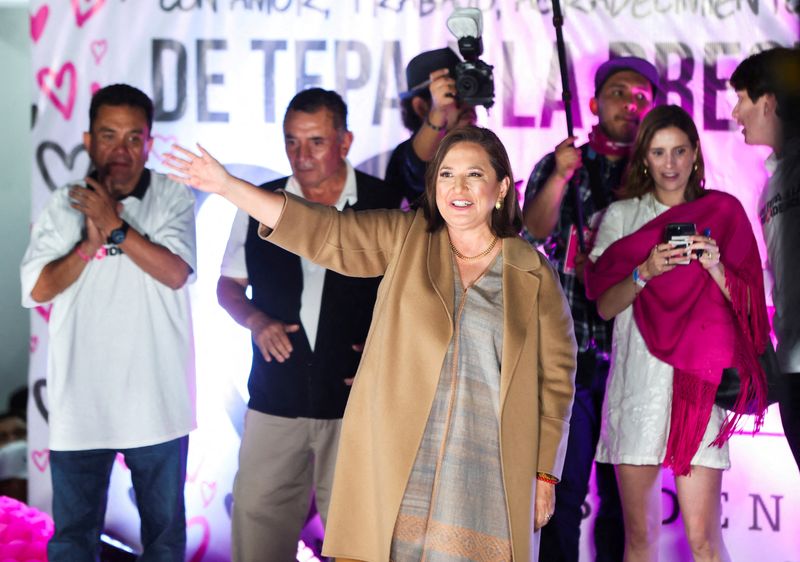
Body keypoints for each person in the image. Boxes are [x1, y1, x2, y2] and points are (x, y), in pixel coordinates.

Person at [166, 125, 577, 562]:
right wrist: (228, 186)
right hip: (400, 464)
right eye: (445, 174)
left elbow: (556, 380)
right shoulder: (406, 238)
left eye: (474, 175)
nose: (458, 187)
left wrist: (544, 475)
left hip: (487, 471)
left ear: (500, 188)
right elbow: (325, 233)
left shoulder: (533, 273)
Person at [218, 87, 399, 562]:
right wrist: (256, 320)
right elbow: (228, 287)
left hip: (358, 403)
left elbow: (411, 302)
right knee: (257, 532)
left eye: (316, 141)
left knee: (362, 542)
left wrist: (384, 358)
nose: (302, 155)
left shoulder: (386, 203)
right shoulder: (260, 202)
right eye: (292, 142)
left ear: (345, 141)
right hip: (276, 397)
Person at [584, 105, 769, 562]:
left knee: (704, 541)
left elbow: (749, 310)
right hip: (637, 387)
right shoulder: (622, 217)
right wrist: (644, 271)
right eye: (659, 152)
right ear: (644, 158)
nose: (670, 164)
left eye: (679, 151)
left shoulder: (723, 213)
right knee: (640, 539)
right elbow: (605, 306)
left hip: (697, 393)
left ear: (695, 155)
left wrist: (715, 265)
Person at [20, 84, 196, 561]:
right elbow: (37, 289)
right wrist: (85, 244)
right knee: (73, 540)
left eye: (134, 138)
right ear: (88, 140)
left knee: (163, 541)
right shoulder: (64, 203)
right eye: (109, 135)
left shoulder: (172, 196)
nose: (121, 150)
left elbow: (176, 273)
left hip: (157, 405)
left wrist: (115, 226)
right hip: (82, 405)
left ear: (149, 143)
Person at [523, 55, 658, 562]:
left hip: (636, 362)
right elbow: (533, 230)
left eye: (642, 96)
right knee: (560, 494)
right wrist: (559, 176)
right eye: (620, 92)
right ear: (597, 103)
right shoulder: (566, 162)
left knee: (626, 508)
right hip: (571, 359)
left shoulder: (656, 172)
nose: (630, 103)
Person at [730, 46, 800, 473]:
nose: (736, 113)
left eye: (741, 98)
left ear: (769, 101)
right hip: (791, 368)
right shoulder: (771, 186)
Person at [385, 47, 477, 206]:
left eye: (467, 90)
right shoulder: (402, 157)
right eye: (453, 95)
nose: (467, 104)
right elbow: (418, 167)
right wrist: (439, 111)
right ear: (421, 107)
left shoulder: (481, 150)